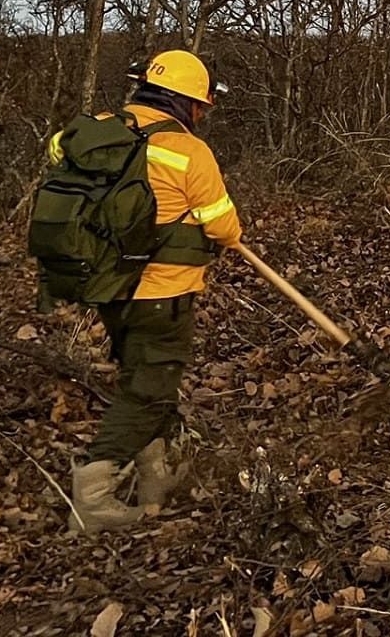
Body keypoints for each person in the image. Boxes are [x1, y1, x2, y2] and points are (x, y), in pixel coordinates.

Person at [66, 50, 240, 532]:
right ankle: (94, 494)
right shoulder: (189, 152)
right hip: (162, 292)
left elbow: (58, 151)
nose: (202, 116)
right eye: (202, 106)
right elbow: (224, 228)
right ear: (186, 103)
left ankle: (154, 481)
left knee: (140, 377)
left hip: (105, 285)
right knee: (151, 390)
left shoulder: (96, 129)